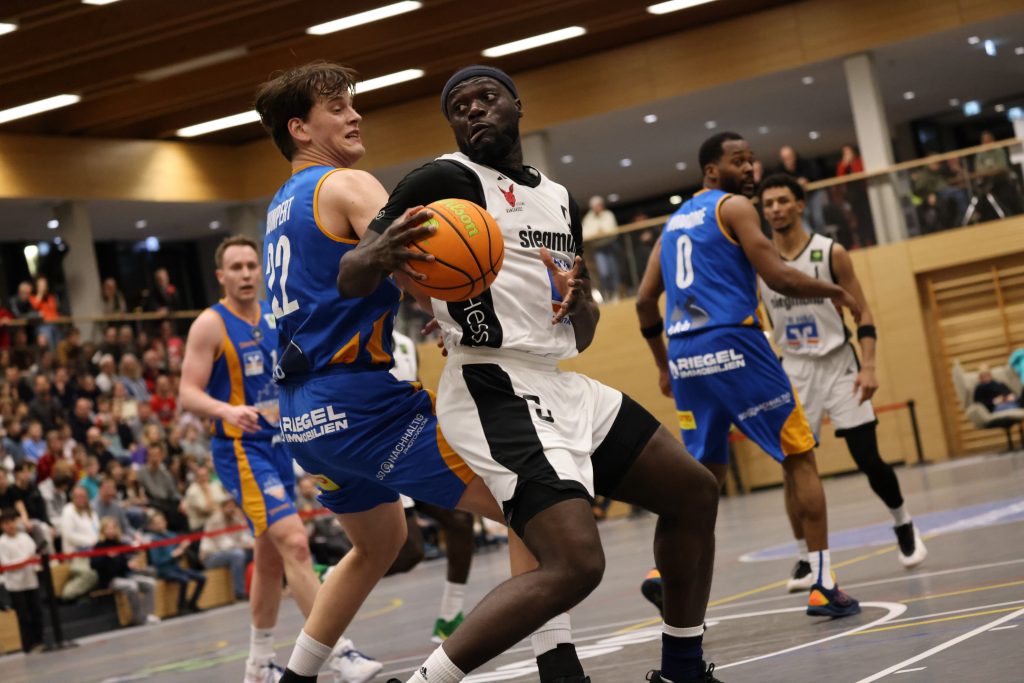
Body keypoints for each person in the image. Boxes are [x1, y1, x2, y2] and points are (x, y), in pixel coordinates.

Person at [355, 64, 722, 683]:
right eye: (459, 107)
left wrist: (582, 306)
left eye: (486, 98)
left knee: (694, 492)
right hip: (491, 383)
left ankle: (682, 671)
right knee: (576, 563)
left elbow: (583, 329)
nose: (474, 110)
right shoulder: (444, 179)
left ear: (517, 105)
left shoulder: (558, 198)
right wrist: (380, 254)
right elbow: (351, 271)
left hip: (558, 379)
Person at [254, 62, 591, 683]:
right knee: (531, 502)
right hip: (361, 404)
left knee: (378, 544)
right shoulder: (348, 184)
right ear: (300, 129)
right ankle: (556, 664)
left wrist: (431, 306)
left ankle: (296, 677)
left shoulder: (279, 205)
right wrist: (460, 305)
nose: (355, 116)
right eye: (338, 108)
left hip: (302, 417)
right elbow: (423, 254)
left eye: (352, 105)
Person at [635, 132, 862, 620]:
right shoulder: (734, 207)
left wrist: (661, 365)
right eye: (739, 161)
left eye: (752, 160)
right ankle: (824, 585)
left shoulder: (672, 224)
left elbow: (643, 301)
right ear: (711, 171)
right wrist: (835, 292)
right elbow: (777, 276)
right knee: (799, 454)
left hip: (686, 357)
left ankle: (662, 572)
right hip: (734, 341)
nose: (749, 168)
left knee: (703, 479)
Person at [179, 234, 381, 683]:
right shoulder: (210, 325)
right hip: (240, 449)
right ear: (221, 276)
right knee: (295, 542)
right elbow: (187, 393)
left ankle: (258, 664)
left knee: (270, 558)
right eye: (236, 267)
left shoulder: (276, 314)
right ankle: (339, 653)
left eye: (252, 265)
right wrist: (226, 410)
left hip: (280, 445)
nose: (246, 274)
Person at [758, 173, 927, 584]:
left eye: (783, 201)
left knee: (867, 457)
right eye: (769, 203)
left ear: (800, 205)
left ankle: (903, 522)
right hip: (793, 369)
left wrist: (868, 367)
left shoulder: (830, 253)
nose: (776, 209)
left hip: (838, 364)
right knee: (792, 466)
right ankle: (804, 556)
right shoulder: (758, 262)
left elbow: (863, 312)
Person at [391, 329, 476, 642]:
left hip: (412, 450)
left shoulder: (405, 343)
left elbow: (414, 391)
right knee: (409, 552)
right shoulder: (353, 336)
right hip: (378, 454)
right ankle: (330, 574)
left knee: (460, 519)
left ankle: (449, 617)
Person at [91, 516, 160, 626]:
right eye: (108, 528)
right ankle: (138, 618)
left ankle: (148, 614)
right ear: (103, 531)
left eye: (113, 528)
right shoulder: (99, 546)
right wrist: (107, 557)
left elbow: (123, 564)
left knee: (150, 583)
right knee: (132, 586)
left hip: (125, 575)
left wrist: (129, 565)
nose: (111, 531)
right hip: (110, 580)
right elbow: (93, 565)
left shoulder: (119, 543)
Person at [0, 508, 45, 652]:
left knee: (36, 611)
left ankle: (40, 641)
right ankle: (28, 645)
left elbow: (34, 553)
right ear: (2, 526)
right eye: (6, 523)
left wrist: (34, 560)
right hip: (16, 584)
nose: (10, 525)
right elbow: (6, 564)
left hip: (30, 580)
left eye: (12, 522)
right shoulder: (2, 542)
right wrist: (25, 560)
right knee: (23, 616)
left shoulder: (25, 537)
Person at [145, 510, 206, 615]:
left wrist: (182, 548)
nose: (160, 524)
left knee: (201, 577)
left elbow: (179, 555)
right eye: (156, 523)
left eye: (161, 521)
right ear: (152, 526)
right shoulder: (154, 540)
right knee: (184, 579)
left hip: (176, 568)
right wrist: (172, 555)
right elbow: (156, 561)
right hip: (164, 570)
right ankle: (181, 606)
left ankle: (192, 603)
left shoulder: (172, 535)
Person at [200, 497, 253, 600]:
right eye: (229, 506)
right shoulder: (215, 520)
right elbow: (225, 545)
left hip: (229, 552)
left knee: (256, 552)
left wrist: (252, 544)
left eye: (233, 506)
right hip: (210, 556)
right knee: (238, 555)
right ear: (222, 507)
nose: (231, 509)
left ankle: (254, 589)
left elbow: (243, 536)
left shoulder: (235, 518)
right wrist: (245, 546)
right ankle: (239, 593)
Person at [581, 195, 622, 301]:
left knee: (614, 271)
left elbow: (611, 230)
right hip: (598, 248)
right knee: (604, 273)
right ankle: (606, 294)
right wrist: (598, 231)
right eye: (595, 205)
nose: (598, 207)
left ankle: (616, 294)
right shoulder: (589, 218)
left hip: (611, 245)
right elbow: (585, 234)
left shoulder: (608, 215)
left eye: (599, 205)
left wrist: (600, 232)